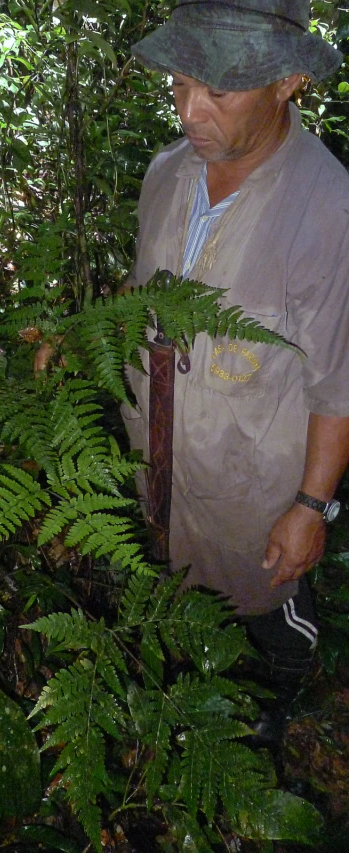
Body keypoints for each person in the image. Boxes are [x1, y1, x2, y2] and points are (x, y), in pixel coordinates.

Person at [123, 0, 349, 747]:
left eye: (218, 92)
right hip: (159, 469)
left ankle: (271, 717)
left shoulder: (327, 206)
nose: (191, 110)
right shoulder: (165, 174)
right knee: (173, 602)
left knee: (267, 617)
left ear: (288, 82)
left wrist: (312, 506)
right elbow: (138, 300)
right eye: (182, 84)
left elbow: (337, 379)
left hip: (254, 492)